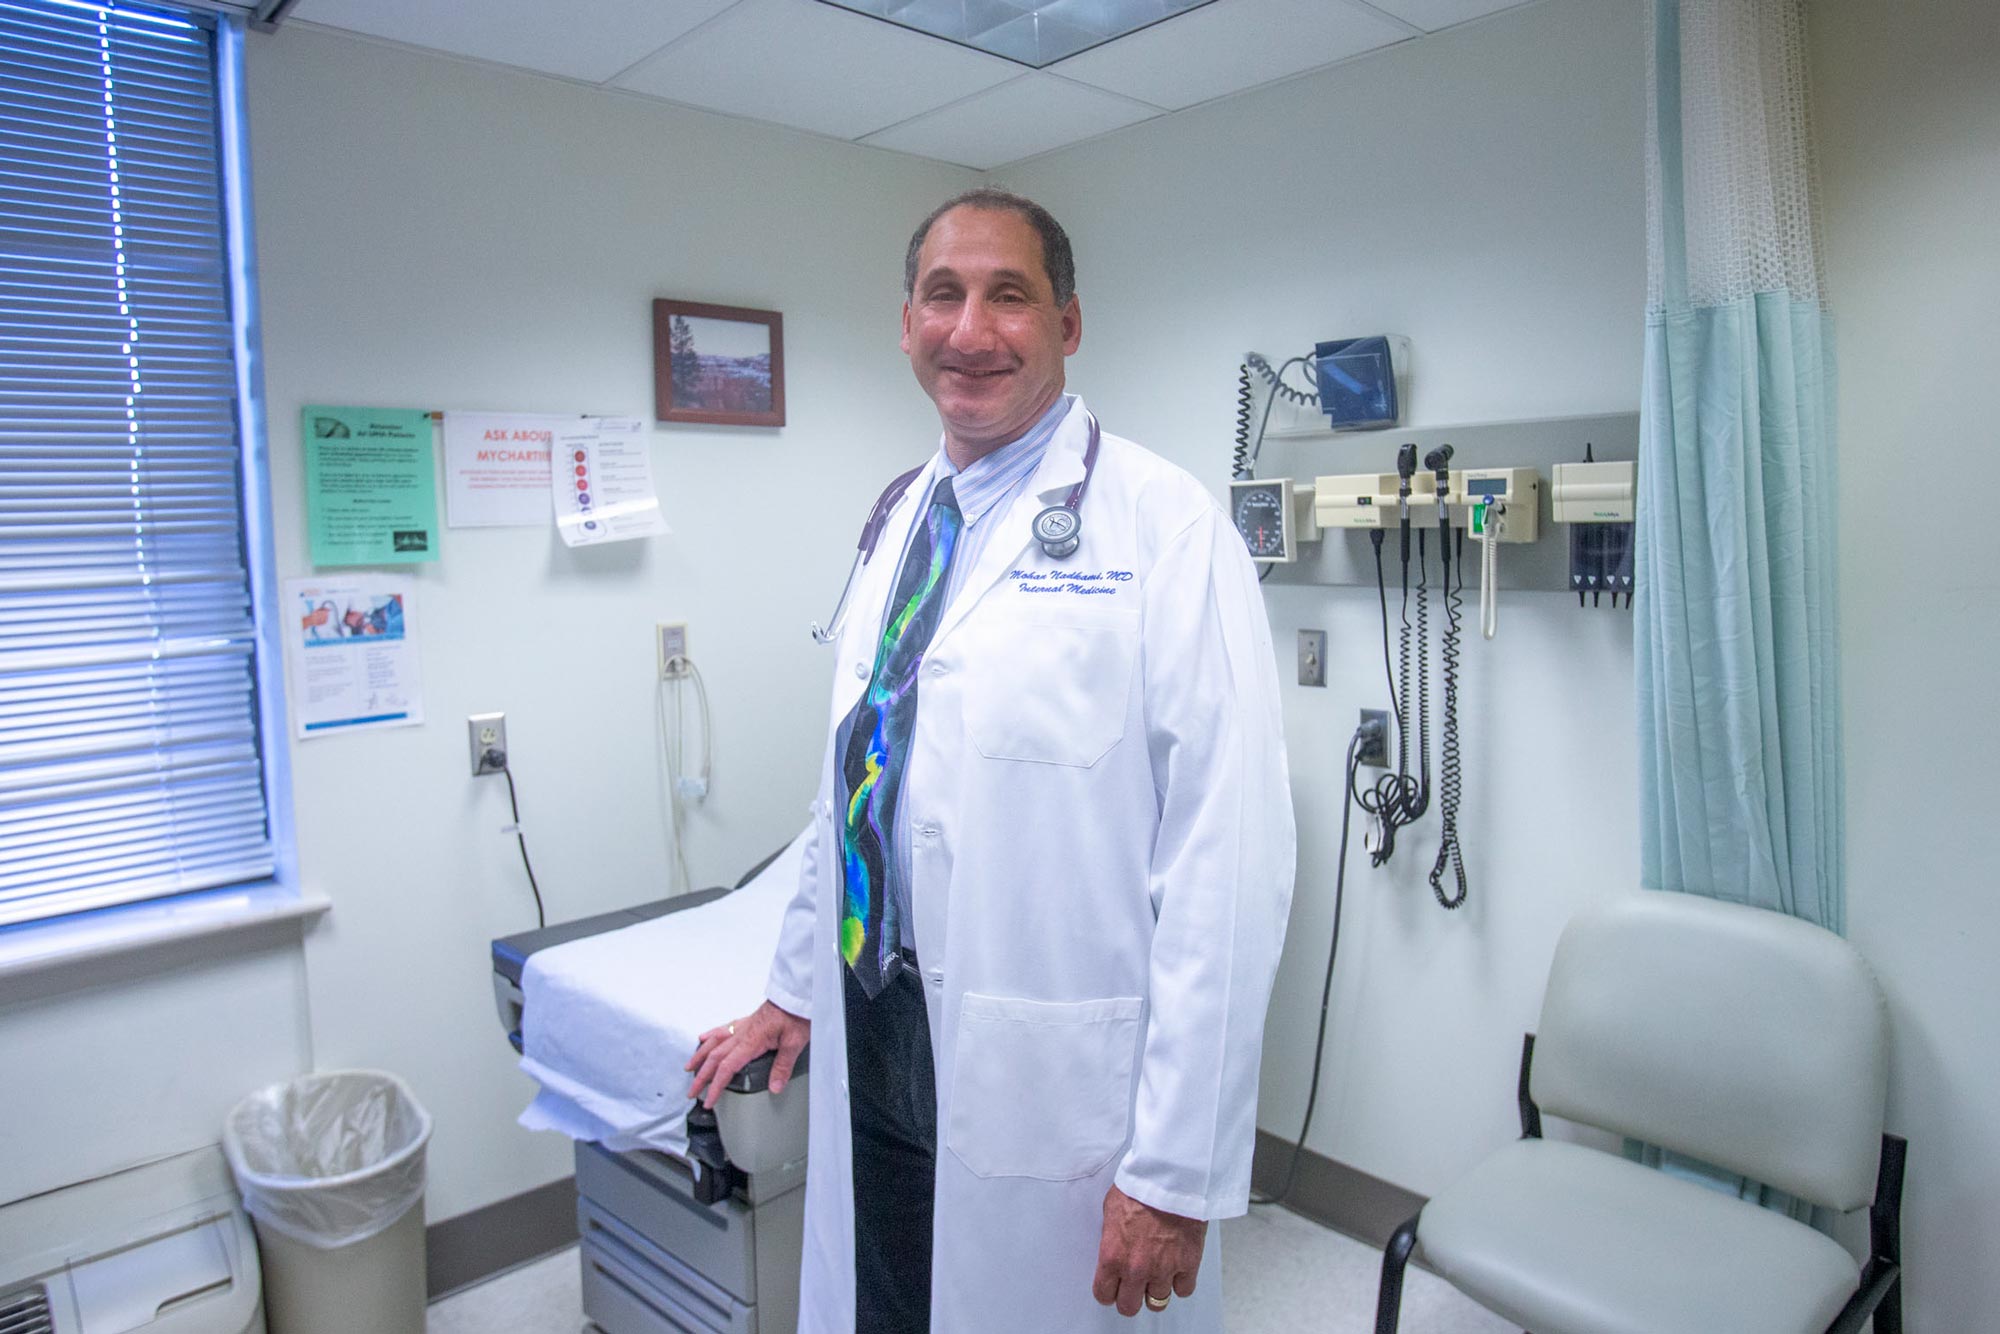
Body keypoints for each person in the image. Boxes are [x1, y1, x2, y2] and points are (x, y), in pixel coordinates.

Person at [687, 188, 1295, 1333]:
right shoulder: (899, 516)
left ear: (1067, 324)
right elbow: (859, 777)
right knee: (892, 1294)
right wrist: (794, 980)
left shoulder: (1166, 530)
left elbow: (1231, 864)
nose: (969, 329)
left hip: (1051, 1059)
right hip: (877, 1013)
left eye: (1007, 295)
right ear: (903, 319)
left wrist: (1174, 1164)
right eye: (942, 294)